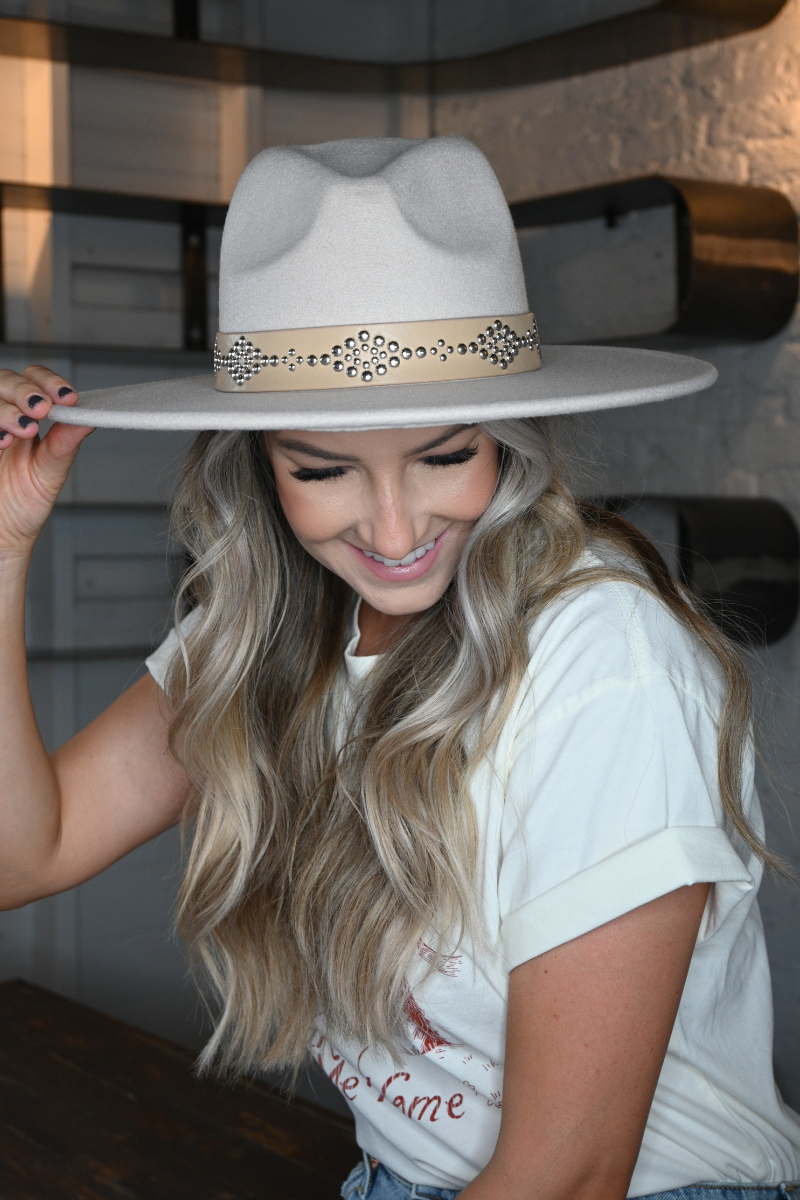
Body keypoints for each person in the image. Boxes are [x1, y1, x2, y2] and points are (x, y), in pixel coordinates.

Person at [0, 136, 798, 1200]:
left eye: (444, 455)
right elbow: (26, 855)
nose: (391, 530)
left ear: (510, 438)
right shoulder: (260, 628)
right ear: (257, 460)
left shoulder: (602, 657)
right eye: (323, 469)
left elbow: (568, 1174)